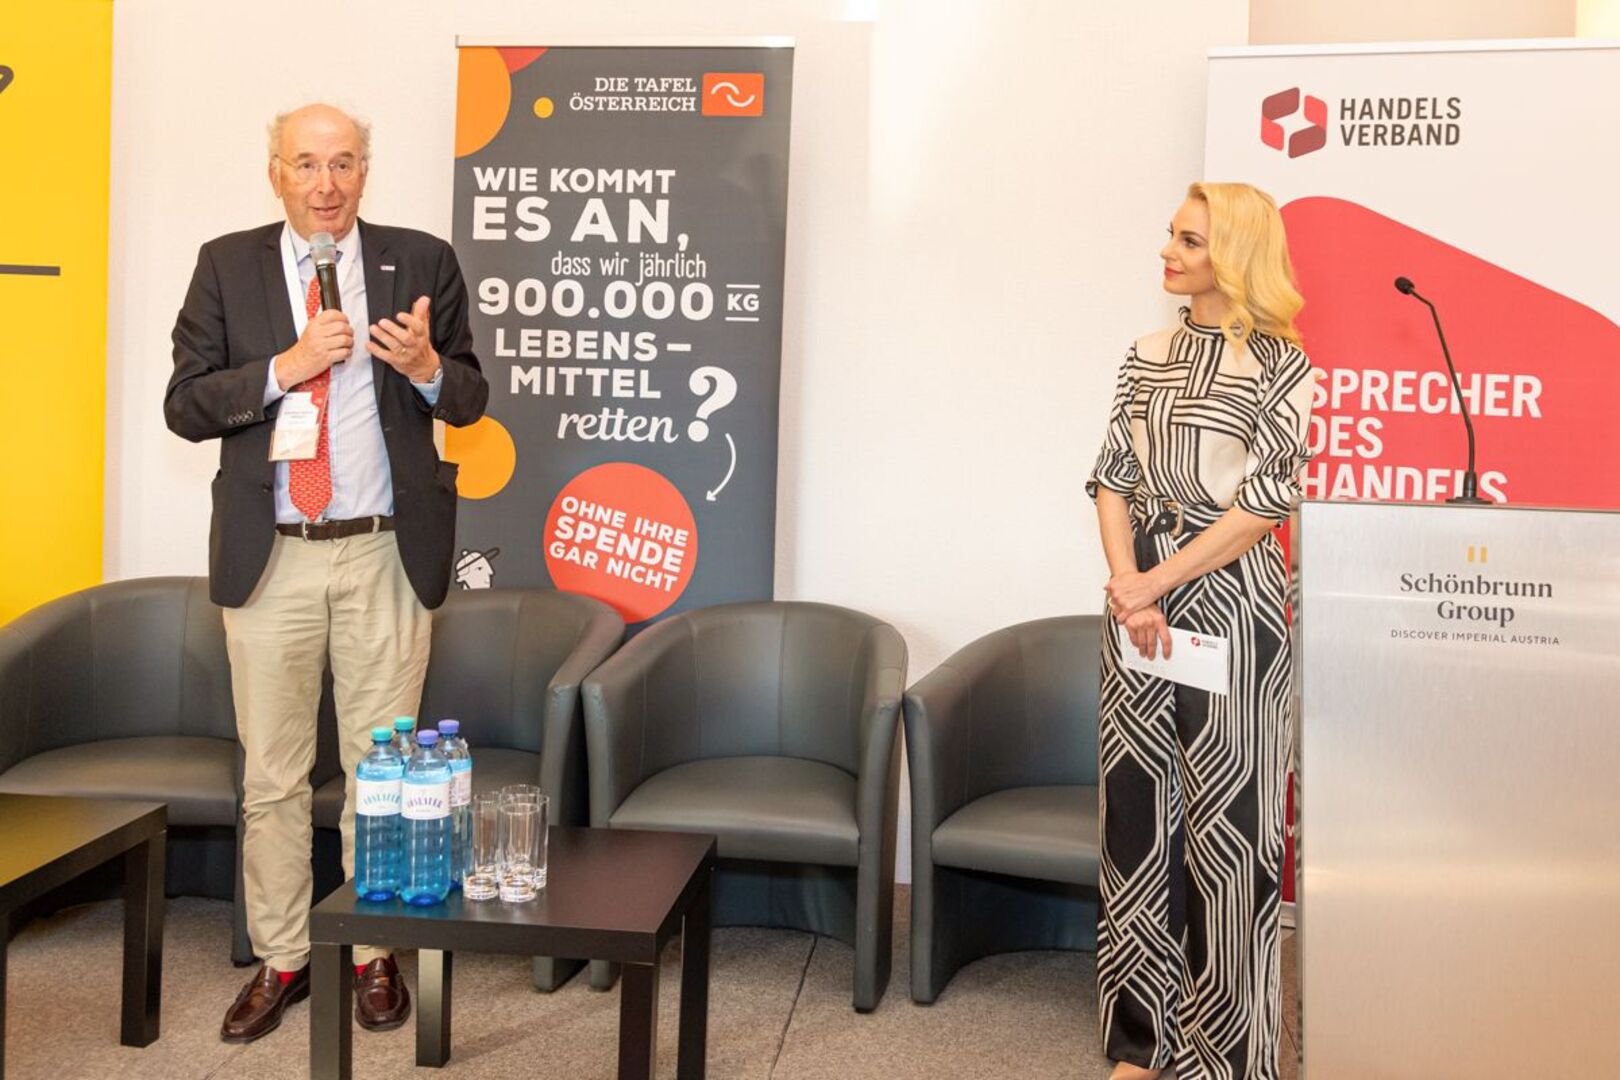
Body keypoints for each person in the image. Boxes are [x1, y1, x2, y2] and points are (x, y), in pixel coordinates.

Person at [164, 103, 488, 1043]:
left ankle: (374, 951)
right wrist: (284, 367)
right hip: (272, 556)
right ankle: (283, 958)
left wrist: (427, 369)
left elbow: (470, 397)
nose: (325, 183)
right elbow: (185, 405)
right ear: (276, 172)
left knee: (381, 773)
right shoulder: (225, 265)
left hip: (384, 550)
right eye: (306, 164)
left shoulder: (419, 261)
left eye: (343, 163)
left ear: (364, 171)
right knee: (273, 778)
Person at [1086, 182, 1313, 1080]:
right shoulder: (1145, 355)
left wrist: (1154, 580)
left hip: (1233, 606)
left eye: (1189, 241)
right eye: (1172, 235)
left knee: (1231, 830)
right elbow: (1111, 477)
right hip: (1137, 607)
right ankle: (1141, 1044)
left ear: (1236, 255)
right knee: (1137, 820)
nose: (1168, 252)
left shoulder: (1284, 367)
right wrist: (1127, 587)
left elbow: (1263, 504)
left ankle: (1226, 1053)